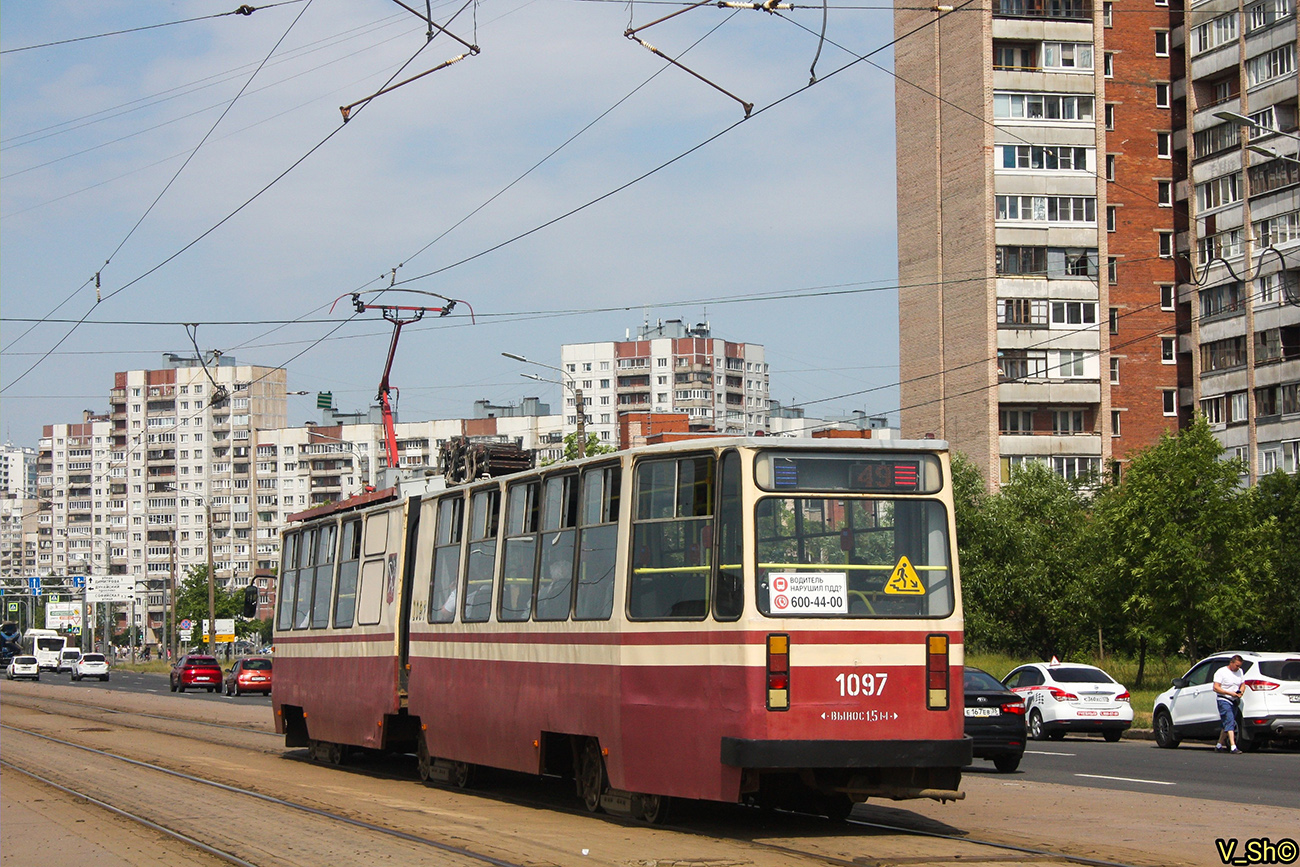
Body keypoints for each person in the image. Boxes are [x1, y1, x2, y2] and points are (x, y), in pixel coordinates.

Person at [1213, 655, 1246, 753]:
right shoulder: (1221, 672)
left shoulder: (1240, 672)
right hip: (1224, 699)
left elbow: (1243, 684)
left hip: (1234, 700)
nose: (1238, 668)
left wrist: (1241, 692)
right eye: (1236, 665)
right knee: (1230, 720)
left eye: (1239, 666)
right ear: (1231, 663)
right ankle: (1233, 746)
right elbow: (1216, 687)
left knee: (1227, 723)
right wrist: (1229, 693)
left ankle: (1219, 745)